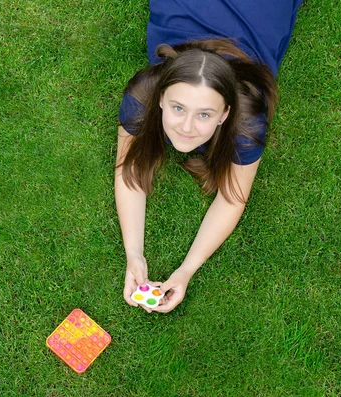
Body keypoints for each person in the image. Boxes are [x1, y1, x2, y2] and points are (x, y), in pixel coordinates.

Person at [115, 0, 303, 312]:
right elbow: (129, 168)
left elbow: (233, 197)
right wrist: (134, 254)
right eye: (178, 108)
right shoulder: (143, 95)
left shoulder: (245, 120)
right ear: (161, 99)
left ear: (225, 113)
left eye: (204, 114)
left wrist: (186, 270)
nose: (187, 128)